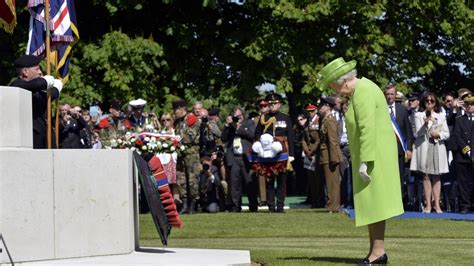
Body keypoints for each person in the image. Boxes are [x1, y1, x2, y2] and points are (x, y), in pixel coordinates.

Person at [316, 57, 403, 264]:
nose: (333, 90)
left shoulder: (363, 90)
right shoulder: (362, 89)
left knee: (375, 205)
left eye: (332, 85)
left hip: (374, 156)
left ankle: (378, 252)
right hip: (373, 154)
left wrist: (366, 160)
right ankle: (375, 251)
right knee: (371, 205)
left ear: (342, 80)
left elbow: (366, 128)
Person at [9, 55, 63, 149]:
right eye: (37, 69)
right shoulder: (16, 85)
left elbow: (46, 97)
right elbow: (33, 85)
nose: (40, 72)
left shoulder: (36, 91)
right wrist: (45, 82)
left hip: (43, 137)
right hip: (28, 139)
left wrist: (56, 89)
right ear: (25, 71)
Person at [254, 92, 295, 213]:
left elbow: (291, 137)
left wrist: (291, 154)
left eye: (275, 103)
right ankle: (271, 206)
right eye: (270, 104)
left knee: (282, 180)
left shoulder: (285, 118)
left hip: (282, 151)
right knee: (269, 180)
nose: (272, 106)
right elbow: (257, 134)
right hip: (267, 152)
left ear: (280, 104)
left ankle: (280, 206)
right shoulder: (263, 118)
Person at [410, 92, 450, 213]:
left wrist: (439, 134)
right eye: (427, 101)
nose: (429, 103)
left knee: (437, 177)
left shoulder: (441, 116)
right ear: (423, 102)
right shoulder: (418, 115)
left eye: (432, 101)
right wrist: (426, 123)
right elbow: (417, 134)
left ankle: (437, 205)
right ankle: (427, 205)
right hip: (424, 147)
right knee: (426, 176)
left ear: (435, 103)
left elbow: (447, 133)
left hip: (437, 147)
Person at [221, 107, 258, 212]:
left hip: (246, 157)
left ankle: (253, 206)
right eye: (236, 117)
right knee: (234, 184)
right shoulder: (230, 127)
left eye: (240, 116)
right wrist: (227, 125)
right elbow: (223, 138)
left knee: (250, 182)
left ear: (243, 115)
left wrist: (238, 128)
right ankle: (235, 207)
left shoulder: (249, 123)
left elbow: (251, 135)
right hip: (234, 157)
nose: (238, 118)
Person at [384, 84, 414, 209]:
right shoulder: (379, 109)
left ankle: (398, 203)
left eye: (392, 94)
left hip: (399, 150)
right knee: (386, 177)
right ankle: (387, 203)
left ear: (395, 95)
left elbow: (408, 131)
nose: (390, 96)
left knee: (399, 177)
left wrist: (409, 148)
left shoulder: (402, 109)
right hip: (384, 150)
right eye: (388, 94)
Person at [173, 99, 200, 214]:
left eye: (176, 110)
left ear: (181, 109)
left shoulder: (191, 119)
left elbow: (191, 137)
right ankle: (184, 204)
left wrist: (176, 141)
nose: (174, 112)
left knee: (192, 179)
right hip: (180, 154)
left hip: (191, 154)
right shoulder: (178, 122)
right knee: (181, 179)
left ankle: (193, 205)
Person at [318, 96, 343, 212]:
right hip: (327, 155)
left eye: (321, 106)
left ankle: (333, 206)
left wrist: (334, 158)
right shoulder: (326, 120)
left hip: (330, 156)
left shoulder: (330, 121)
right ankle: (332, 205)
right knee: (330, 182)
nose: (319, 108)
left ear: (327, 107)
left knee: (332, 183)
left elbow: (333, 141)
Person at [452, 95, 473, 214]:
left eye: (472, 104)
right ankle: (465, 205)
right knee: (463, 182)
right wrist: (468, 151)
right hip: (463, 156)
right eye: (467, 104)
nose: (469, 106)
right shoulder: (459, 119)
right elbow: (458, 136)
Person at [301, 103, 325, 208]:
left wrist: (312, 150)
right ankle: (314, 201)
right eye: (308, 111)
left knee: (318, 178)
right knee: (311, 179)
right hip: (309, 153)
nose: (309, 113)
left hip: (317, 152)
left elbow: (320, 138)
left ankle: (320, 201)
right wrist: (306, 150)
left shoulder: (319, 121)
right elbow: (303, 139)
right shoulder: (307, 122)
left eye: (312, 111)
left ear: (316, 111)